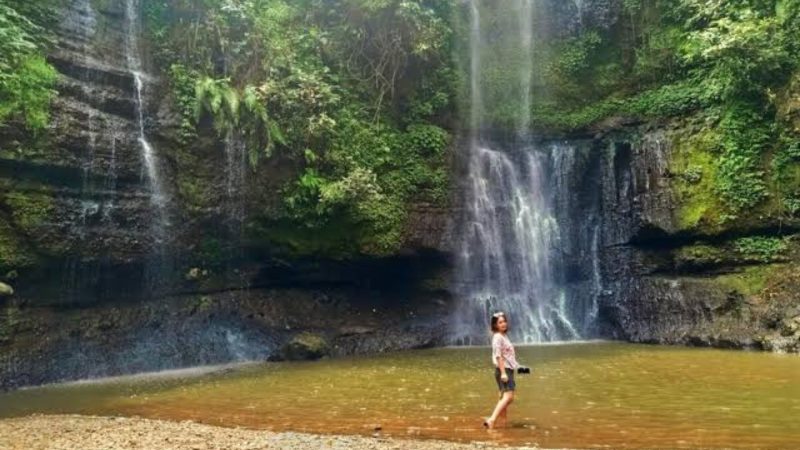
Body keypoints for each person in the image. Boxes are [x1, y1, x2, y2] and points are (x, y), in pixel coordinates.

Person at [483, 311, 519, 429]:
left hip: (507, 369)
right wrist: (503, 372)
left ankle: (503, 423)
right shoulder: (498, 337)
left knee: (505, 397)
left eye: (504, 321)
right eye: (500, 322)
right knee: (508, 397)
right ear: (495, 325)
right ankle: (492, 420)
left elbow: (507, 355)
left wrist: (517, 366)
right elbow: (498, 355)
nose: (503, 324)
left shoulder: (503, 336)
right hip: (503, 370)